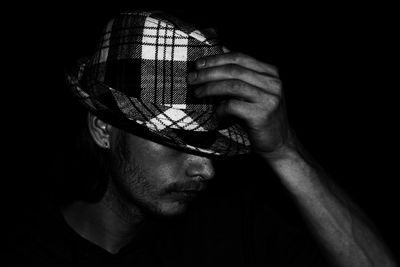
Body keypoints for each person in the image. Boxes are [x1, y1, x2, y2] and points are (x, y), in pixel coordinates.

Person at [8, 10, 396, 267]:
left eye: (209, 144)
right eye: (176, 141)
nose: (205, 168)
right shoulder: (29, 248)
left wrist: (284, 151)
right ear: (103, 129)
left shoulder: (229, 234)